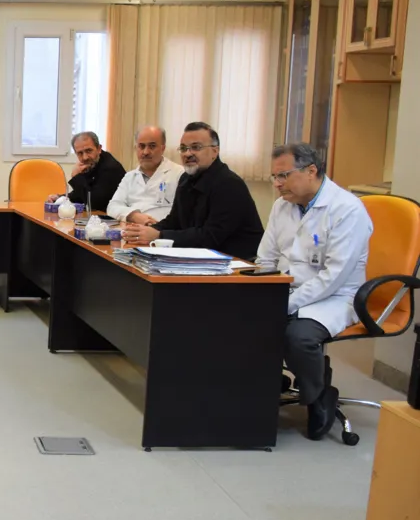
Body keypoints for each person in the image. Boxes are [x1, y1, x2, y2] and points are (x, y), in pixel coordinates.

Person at [257, 144, 373, 441]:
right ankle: (264, 385)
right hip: (287, 288)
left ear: (311, 171)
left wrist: (285, 304)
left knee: (299, 336)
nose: (277, 184)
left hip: (335, 296)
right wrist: (262, 293)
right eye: (274, 177)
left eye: (283, 175)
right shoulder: (282, 205)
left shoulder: (347, 210)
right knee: (240, 316)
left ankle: (319, 394)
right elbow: (266, 258)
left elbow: (333, 277)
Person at [122, 122, 265, 261]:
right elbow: (174, 221)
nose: (187, 154)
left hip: (234, 263)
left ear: (215, 151)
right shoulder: (186, 178)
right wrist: (144, 232)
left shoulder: (229, 184)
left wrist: (159, 235)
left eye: (196, 147)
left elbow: (210, 236)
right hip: (199, 258)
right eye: (183, 148)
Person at [105, 125, 184, 225]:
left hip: (162, 230)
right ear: (136, 148)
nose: (146, 152)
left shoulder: (179, 174)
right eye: (141, 146)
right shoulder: (130, 177)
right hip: (131, 228)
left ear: (162, 148)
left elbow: (183, 212)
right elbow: (112, 206)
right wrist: (133, 216)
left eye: (152, 146)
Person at [47, 132, 125, 212]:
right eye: (80, 153)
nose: (85, 157)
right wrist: (60, 197)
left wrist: (76, 177)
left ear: (99, 149)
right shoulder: (94, 162)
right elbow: (85, 192)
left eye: (89, 151)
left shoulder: (110, 168)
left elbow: (94, 204)